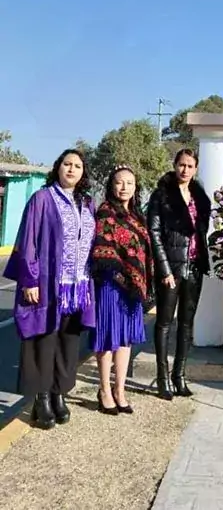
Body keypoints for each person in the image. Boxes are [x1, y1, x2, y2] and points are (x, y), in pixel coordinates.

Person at [3, 149, 96, 429]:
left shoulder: (87, 203)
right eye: (67, 164)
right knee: (44, 339)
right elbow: (28, 241)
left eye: (77, 166)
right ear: (58, 168)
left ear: (83, 173)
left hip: (78, 286)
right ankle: (41, 399)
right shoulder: (42, 199)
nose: (71, 169)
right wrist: (30, 281)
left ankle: (59, 393)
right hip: (47, 283)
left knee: (69, 341)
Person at [147, 148, 211, 399]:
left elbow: (202, 233)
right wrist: (164, 269)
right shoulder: (161, 195)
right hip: (170, 269)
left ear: (196, 169)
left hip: (194, 267)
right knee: (164, 322)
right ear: (175, 165)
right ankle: (162, 378)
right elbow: (154, 233)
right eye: (181, 165)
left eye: (190, 166)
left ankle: (179, 375)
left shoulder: (200, 197)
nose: (185, 170)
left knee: (186, 324)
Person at [90, 165, 153, 415]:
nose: (124, 187)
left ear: (136, 187)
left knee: (125, 338)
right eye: (119, 182)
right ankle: (104, 390)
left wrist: (138, 279)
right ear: (111, 185)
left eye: (130, 182)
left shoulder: (138, 216)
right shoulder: (105, 212)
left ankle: (120, 390)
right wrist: (120, 274)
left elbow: (143, 253)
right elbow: (102, 249)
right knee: (108, 337)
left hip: (132, 288)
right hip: (110, 284)